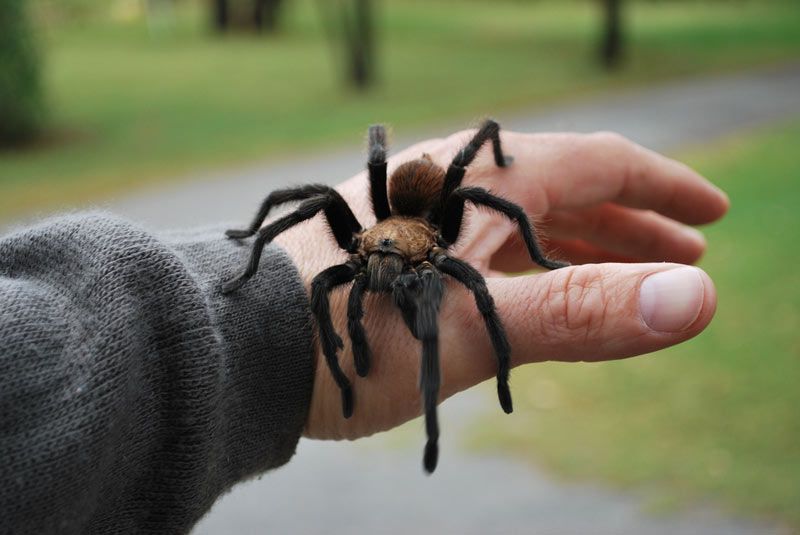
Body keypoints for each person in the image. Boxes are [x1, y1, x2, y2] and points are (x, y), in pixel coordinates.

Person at [0, 129, 728, 534]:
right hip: (386, 229)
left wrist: (537, 259)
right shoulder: (360, 250)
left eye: (384, 255)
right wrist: (258, 256)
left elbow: (469, 195)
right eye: (368, 254)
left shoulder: (439, 235)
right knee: (319, 256)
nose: (375, 269)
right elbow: (311, 222)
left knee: (465, 283)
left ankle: (454, 414)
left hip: (419, 223)